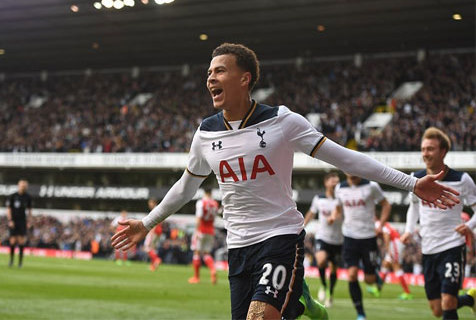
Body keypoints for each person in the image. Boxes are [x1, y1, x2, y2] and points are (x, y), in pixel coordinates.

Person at [112, 43, 459, 320]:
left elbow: (345, 158)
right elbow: (186, 186)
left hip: (281, 238)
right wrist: (147, 223)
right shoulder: (205, 133)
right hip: (238, 247)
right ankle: (297, 303)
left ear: (244, 78)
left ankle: (293, 301)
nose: (210, 78)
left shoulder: (281, 121)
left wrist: (412, 184)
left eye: (219, 71)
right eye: (208, 72)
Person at [401, 127, 476, 320]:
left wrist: (469, 226)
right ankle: (469, 300)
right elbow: (414, 207)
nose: (425, 153)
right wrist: (409, 230)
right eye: (424, 149)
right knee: (437, 310)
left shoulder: (461, 179)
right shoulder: (415, 179)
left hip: (452, 245)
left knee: (448, 302)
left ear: (443, 151)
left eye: (431, 149)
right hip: (428, 249)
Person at [331, 174, 390, 320]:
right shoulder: (340, 188)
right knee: (352, 274)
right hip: (349, 237)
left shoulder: (371, 186)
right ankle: (360, 313)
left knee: (369, 280)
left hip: (368, 237)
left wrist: (381, 224)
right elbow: (338, 209)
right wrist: (334, 216)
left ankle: (375, 275)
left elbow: (386, 204)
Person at [303, 171, 342, 307]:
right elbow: (311, 213)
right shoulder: (318, 198)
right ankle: (323, 285)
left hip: (338, 239)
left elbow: (339, 211)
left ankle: (330, 292)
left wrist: (334, 217)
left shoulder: (341, 198)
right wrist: (302, 227)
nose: (335, 183)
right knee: (321, 261)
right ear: (326, 182)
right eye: (332, 181)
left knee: (334, 269)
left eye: (337, 182)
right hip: (322, 237)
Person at [188, 188, 219, 284]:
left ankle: (196, 277)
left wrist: (197, 231)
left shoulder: (201, 203)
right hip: (211, 230)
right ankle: (213, 269)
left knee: (197, 253)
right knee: (206, 253)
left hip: (201, 230)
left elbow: (199, 217)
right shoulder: (215, 204)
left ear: (204, 193)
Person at [376, 220, 412, 300]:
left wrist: (388, 250)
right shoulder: (381, 223)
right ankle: (378, 289)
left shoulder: (377, 224)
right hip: (394, 243)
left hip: (395, 244)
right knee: (385, 264)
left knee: (396, 266)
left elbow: (386, 235)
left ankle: (407, 292)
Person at [6, 179, 31, 268]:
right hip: (14, 220)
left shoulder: (28, 197)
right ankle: (11, 260)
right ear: (18, 186)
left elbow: (29, 210)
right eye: (22, 185)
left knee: (21, 241)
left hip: (22, 221)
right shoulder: (13, 196)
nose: (23, 187)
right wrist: (10, 220)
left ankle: (20, 262)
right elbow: (8, 209)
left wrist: (29, 221)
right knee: (12, 241)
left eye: (25, 186)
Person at [143, 198, 163, 271]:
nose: (149, 205)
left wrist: (151, 232)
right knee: (153, 248)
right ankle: (153, 266)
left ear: (154, 203)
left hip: (154, 230)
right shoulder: (160, 209)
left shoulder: (155, 210)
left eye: (150, 203)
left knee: (147, 247)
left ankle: (156, 259)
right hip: (159, 231)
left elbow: (155, 222)